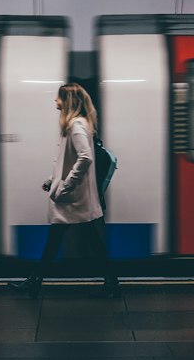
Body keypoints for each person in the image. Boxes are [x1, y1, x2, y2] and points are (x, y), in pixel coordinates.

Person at [9, 82, 120, 299]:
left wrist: (66, 185)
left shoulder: (76, 126)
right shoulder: (76, 125)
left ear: (67, 101)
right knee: (88, 242)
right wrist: (52, 180)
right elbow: (66, 160)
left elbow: (85, 157)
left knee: (58, 241)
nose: (55, 101)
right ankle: (111, 284)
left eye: (58, 97)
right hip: (77, 200)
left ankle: (34, 283)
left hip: (73, 199)